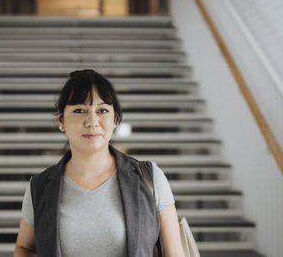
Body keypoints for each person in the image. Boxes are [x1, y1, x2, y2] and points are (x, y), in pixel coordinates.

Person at [14, 69, 185, 257]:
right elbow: (25, 248)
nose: (92, 121)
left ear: (115, 119)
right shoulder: (40, 187)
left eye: (102, 110)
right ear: (61, 120)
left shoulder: (149, 177)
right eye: (79, 110)